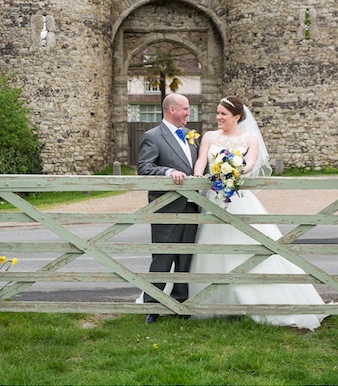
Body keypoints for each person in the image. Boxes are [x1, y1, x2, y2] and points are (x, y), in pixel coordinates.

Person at [187, 97, 326, 329]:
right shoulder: (210, 137)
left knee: (254, 247)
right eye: (217, 113)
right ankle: (214, 304)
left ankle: (260, 301)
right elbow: (201, 160)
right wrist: (198, 178)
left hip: (239, 199)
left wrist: (232, 169)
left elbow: (250, 164)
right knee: (214, 245)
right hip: (213, 198)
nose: (218, 118)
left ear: (237, 117)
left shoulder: (250, 138)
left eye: (223, 114)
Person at [136, 92, 202, 323]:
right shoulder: (152, 136)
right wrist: (167, 172)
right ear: (172, 109)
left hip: (192, 206)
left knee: (186, 258)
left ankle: (180, 305)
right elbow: (144, 167)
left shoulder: (190, 137)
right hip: (166, 207)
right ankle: (152, 308)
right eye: (185, 108)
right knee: (162, 258)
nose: (188, 112)